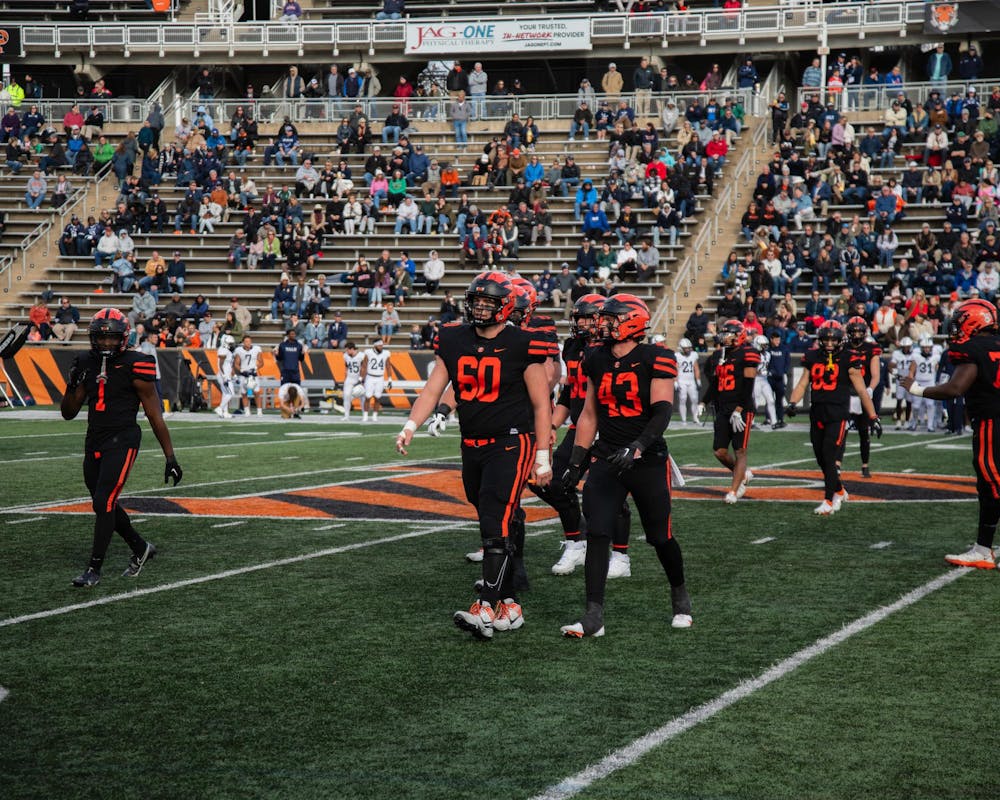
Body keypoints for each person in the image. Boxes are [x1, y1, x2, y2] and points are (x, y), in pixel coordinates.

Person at [395, 272, 553, 640]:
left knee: (495, 520)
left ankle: (485, 606)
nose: (480, 308)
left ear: (505, 308)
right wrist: (410, 426)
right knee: (489, 515)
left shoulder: (524, 343)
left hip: (513, 441)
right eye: (476, 302)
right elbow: (434, 388)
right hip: (473, 442)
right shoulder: (453, 338)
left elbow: (541, 403)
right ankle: (510, 604)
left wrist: (543, 454)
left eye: (488, 303)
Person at [559, 294, 691, 637]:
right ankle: (593, 616)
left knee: (660, 537)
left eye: (611, 319)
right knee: (598, 530)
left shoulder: (657, 357)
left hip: (646, 459)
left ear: (632, 322)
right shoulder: (595, 358)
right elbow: (588, 414)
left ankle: (680, 598)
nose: (602, 324)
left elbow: (662, 409)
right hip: (606, 456)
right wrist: (577, 461)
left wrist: (638, 446)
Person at [60, 309, 181, 587]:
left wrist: (170, 456)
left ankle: (93, 569)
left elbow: (154, 414)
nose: (105, 345)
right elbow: (68, 412)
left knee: (104, 501)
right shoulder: (84, 361)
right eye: (101, 339)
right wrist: (71, 385)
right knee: (103, 503)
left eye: (111, 339)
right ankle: (140, 547)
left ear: (123, 338)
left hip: (123, 439)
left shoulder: (137, 364)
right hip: (94, 439)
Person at [900, 299, 1000, 568]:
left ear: (975, 321)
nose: (956, 328)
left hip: (992, 422)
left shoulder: (972, 349)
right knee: (987, 489)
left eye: (961, 321)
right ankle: (983, 549)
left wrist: (916, 389)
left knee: (992, 482)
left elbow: (955, 388)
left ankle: (983, 549)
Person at [786, 320, 882, 515]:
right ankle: (838, 489)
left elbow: (862, 391)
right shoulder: (812, 356)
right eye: (826, 339)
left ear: (840, 340)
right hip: (817, 412)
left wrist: (873, 416)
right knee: (821, 459)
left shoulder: (849, 357)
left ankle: (829, 500)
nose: (829, 343)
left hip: (837, 414)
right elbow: (803, 383)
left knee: (830, 457)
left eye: (833, 339)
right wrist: (793, 403)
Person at [701, 320, 760, 504]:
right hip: (722, 407)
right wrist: (703, 401)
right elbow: (715, 384)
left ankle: (733, 491)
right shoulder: (719, 355)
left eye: (729, 334)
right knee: (719, 452)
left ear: (739, 335)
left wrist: (740, 408)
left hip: (740, 407)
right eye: (724, 333)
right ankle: (742, 474)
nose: (725, 337)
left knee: (740, 450)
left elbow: (749, 385)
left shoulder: (748, 353)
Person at [844, 317, 881, 478]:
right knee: (841, 431)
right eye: (855, 330)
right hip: (846, 393)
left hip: (863, 393)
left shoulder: (871, 348)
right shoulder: (843, 347)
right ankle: (837, 464)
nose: (857, 333)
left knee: (864, 432)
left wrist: (870, 389)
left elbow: (875, 375)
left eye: (860, 330)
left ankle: (865, 465)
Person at [234, 335, 264, 417]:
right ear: (243, 342)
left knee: (256, 392)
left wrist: (256, 367)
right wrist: (241, 370)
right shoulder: (239, 350)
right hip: (244, 374)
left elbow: (261, 362)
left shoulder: (256, 349)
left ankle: (259, 411)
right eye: (246, 341)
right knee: (244, 393)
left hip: (253, 374)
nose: (248, 343)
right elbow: (236, 363)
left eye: (249, 341)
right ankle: (247, 410)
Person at [362, 339, 390, 422]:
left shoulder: (386, 353)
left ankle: (375, 415)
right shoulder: (368, 352)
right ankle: (365, 415)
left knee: (378, 397)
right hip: (370, 377)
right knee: (368, 396)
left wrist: (390, 378)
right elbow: (364, 365)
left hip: (380, 378)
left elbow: (388, 366)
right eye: (379, 345)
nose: (381, 347)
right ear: (375, 345)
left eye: (382, 345)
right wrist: (361, 377)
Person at [675, 337, 701, 424]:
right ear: (681, 348)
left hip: (691, 380)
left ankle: (695, 418)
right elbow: (676, 369)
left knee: (694, 399)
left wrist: (698, 380)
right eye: (686, 348)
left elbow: (696, 368)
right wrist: (675, 381)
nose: (688, 350)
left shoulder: (693, 355)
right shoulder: (677, 356)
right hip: (681, 380)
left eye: (689, 348)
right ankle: (684, 419)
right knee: (683, 399)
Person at [214, 333, 237, 419]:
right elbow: (220, 365)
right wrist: (224, 376)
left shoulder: (227, 351)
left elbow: (230, 365)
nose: (232, 345)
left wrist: (234, 376)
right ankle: (220, 408)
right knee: (231, 393)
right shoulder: (223, 350)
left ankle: (225, 412)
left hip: (226, 375)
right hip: (223, 376)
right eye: (230, 343)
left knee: (225, 394)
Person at [341, 341, 364, 419]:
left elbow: (364, 368)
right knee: (346, 396)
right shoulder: (346, 356)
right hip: (350, 378)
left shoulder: (361, 356)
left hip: (359, 379)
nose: (346, 352)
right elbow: (346, 367)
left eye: (347, 350)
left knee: (362, 397)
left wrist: (362, 379)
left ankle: (365, 415)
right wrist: (345, 378)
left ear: (352, 349)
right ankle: (346, 416)